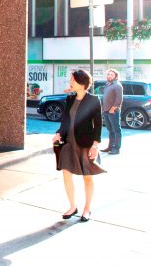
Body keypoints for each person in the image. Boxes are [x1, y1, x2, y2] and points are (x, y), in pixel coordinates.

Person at [52, 69, 105, 222]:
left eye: (73, 80)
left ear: (82, 83)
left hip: (86, 144)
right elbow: (65, 121)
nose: (70, 82)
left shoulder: (94, 100)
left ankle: (87, 208)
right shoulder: (70, 98)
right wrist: (58, 133)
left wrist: (95, 145)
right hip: (69, 142)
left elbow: (98, 125)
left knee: (87, 177)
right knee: (66, 174)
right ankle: (72, 206)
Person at [101, 68, 123, 155]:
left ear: (116, 76)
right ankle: (110, 146)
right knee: (110, 130)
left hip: (113, 112)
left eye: (111, 74)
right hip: (106, 111)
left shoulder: (117, 85)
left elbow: (119, 99)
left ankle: (116, 148)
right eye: (108, 74)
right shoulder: (108, 85)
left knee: (116, 130)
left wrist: (112, 109)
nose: (109, 76)